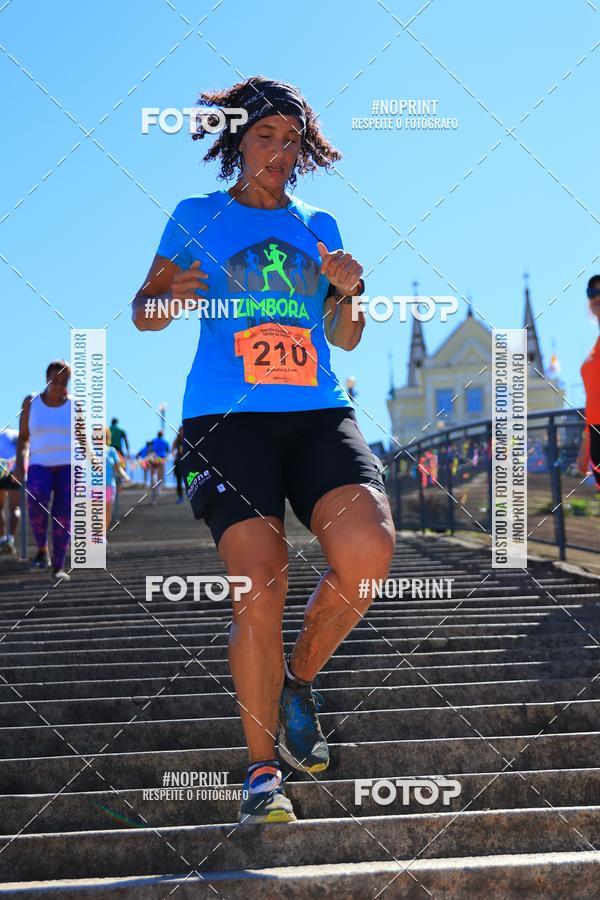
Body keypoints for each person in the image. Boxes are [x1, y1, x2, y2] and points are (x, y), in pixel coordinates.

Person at [132, 75, 395, 825]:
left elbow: (346, 335)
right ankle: (260, 776)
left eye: (291, 140)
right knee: (263, 583)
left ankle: (297, 681)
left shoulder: (322, 223)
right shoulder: (196, 216)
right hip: (225, 420)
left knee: (369, 554)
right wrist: (170, 297)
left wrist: (349, 293)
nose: (280, 152)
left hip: (317, 412)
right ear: (237, 143)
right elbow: (145, 310)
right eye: (265, 138)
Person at [14, 361, 72, 581]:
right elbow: (23, 437)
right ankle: (41, 548)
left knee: (63, 515)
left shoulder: (75, 405)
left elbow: (82, 438)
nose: (57, 385)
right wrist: (20, 463)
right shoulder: (31, 402)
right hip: (39, 464)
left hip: (68, 465)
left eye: (63, 381)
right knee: (35, 499)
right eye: (54, 380)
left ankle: (58, 566)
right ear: (46, 379)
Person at [577, 274, 600, 487]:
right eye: (592, 293)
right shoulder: (595, 346)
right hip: (595, 433)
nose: (596, 297)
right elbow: (592, 400)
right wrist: (586, 447)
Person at [0, 427, 21, 556]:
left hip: (7, 470)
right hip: (13, 470)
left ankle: (4, 539)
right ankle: (9, 539)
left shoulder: (10, 434)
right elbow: (26, 449)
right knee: (14, 507)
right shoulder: (14, 434)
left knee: (1, 507)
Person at [105, 426, 130, 531]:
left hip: (109, 485)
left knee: (107, 511)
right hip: (93, 486)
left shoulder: (111, 451)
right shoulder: (89, 450)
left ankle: (102, 535)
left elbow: (118, 467)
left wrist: (125, 476)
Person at [172, 425, 185, 503]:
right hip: (178, 462)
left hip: (186, 462)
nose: (181, 432)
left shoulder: (187, 439)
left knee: (188, 480)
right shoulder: (176, 441)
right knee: (179, 481)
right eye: (180, 430)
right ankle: (180, 497)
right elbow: (172, 450)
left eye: (183, 430)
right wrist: (174, 454)